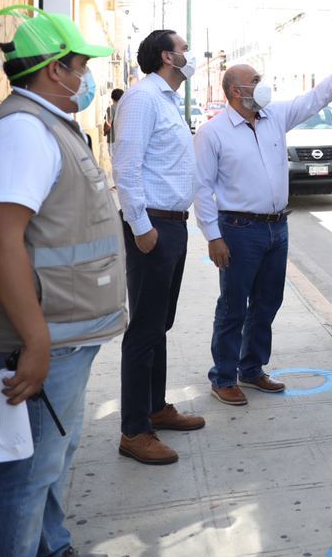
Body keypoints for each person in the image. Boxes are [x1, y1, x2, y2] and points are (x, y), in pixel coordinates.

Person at [0, 5, 127, 556]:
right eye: (81, 66)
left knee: (49, 458)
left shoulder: (47, 126)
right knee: (26, 471)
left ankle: (50, 547)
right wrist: (34, 343)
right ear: (55, 69)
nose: (87, 78)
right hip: (38, 341)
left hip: (59, 337)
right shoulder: (23, 133)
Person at [195, 46, 332, 405]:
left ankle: (252, 369)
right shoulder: (213, 133)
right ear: (235, 92)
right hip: (238, 230)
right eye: (254, 80)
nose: (262, 85)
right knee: (233, 306)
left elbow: (316, 99)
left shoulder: (275, 116)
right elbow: (201, 187)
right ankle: (224, 376)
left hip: (277, 228)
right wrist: (213, 237)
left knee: (268, 301)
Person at [112, 29, 205, 465]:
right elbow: (126, 167)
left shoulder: (166, 99)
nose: (190, 56)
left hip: (173, 227)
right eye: (184, 50)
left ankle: (155, 407)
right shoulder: (142, 99)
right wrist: (141, 226)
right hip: (153, 228)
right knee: (144, 330)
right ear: (167, 56)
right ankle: (134, 430)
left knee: (159, 325)